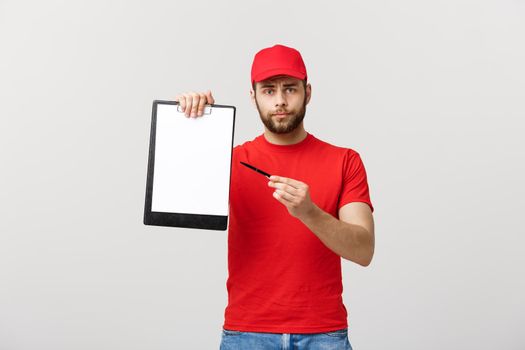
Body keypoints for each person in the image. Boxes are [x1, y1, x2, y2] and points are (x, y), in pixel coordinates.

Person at [175, 44, 375, 350]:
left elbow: (363, 251)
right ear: (253, 96)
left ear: (307, 93)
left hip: (324, 333)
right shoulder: (229, 160)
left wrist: (310, 212)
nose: (280, 101)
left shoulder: (345, 161)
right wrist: (191, 124)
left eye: (290, 89)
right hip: (247, 333)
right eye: (268, 91)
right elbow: (175, 199)